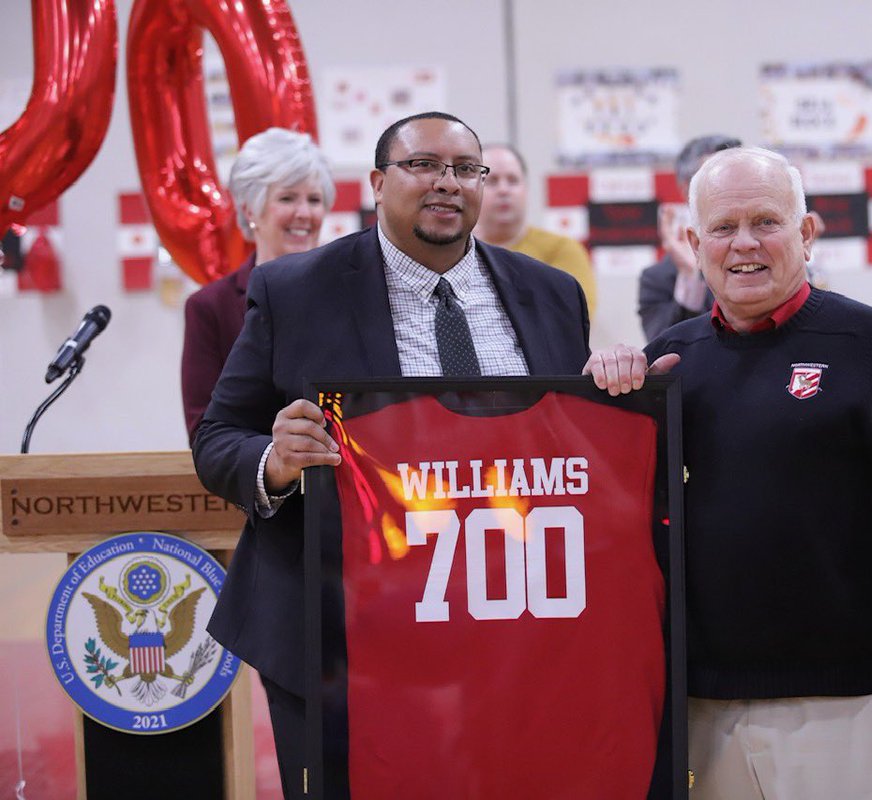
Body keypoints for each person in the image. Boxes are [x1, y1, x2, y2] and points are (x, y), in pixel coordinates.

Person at [192, 112, 590, 799]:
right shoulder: (295, 290)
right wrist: (276, 462)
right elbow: (219, 435)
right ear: (378, 182)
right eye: (423, 165)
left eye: (466, 169)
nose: (447, 183)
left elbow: (569, 446)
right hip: (338, 636)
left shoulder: (552, 293)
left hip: (509, 627)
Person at [586, 146, 872, 799]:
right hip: (702, 701)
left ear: (807, 232)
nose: (744, 244)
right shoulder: (669, 364)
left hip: (849, 699)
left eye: (766, 222)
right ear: (692, 241)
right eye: (722, 227)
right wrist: (603, 389)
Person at [180, 127, 334, 444]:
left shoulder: (350, 293)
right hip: (261, 488)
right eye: (287, 198)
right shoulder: (210, 307)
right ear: (250, 209)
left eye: (314, 200)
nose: (304, 213)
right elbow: (204, 432)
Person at [636, 134, 740, 340]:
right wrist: (689, 277)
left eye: (740, 177)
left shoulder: (773, 251)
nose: (734, 191)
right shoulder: (659, 279)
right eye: (717, 179)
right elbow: (665, 353)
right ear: (687, 191)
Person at [476, 142, 598, 316]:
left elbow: (574, 317)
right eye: (492, 181)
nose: (504, 190)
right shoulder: (455, 253)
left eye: (513, 180)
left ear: (526, 189)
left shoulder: (561, 249)